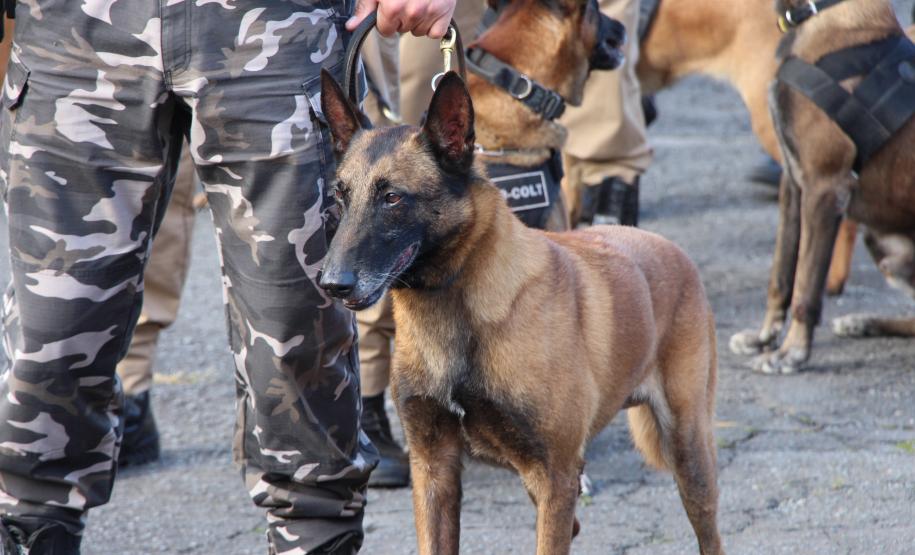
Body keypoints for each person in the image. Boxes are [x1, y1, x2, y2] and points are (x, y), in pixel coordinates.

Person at [0, 1, 455, 554]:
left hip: (273, 27)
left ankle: (313, 540)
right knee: (51, 339)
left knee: (296, 337)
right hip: (77, 26)